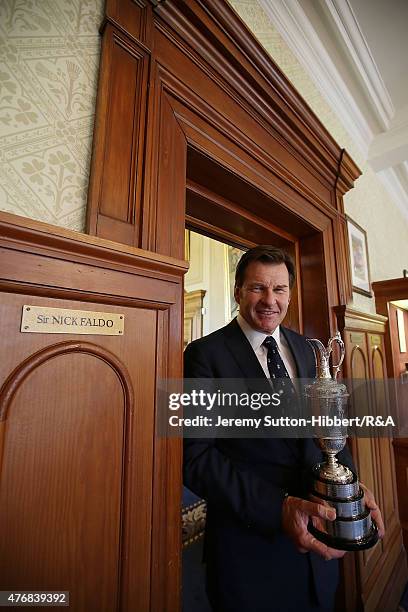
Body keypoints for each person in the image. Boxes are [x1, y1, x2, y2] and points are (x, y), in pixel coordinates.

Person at [183, 245, 384, 612]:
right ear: (238, 291)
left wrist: (350, 487)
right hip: (250, 558)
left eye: (280, 290)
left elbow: (329, 427)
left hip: (320, 553)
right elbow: (197, 459)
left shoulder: (307, 350)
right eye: (258, 288)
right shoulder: (204, 355)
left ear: (290, 293)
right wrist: (279, 508)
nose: (269, 301)